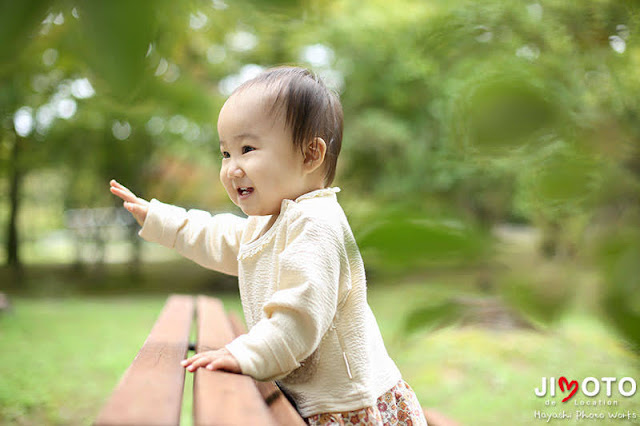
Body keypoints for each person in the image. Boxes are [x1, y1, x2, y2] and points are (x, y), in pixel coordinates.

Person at [109, 66, 427, 426]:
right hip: (315, 403)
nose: (232, 168)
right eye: (225, 154)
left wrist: (244, 353)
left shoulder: (317, 223)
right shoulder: (272, 221)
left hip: (345, 407)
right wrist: (159, 217)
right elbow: (217, 235)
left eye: (247, 149)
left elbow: (299, 316)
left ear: (310, 155)